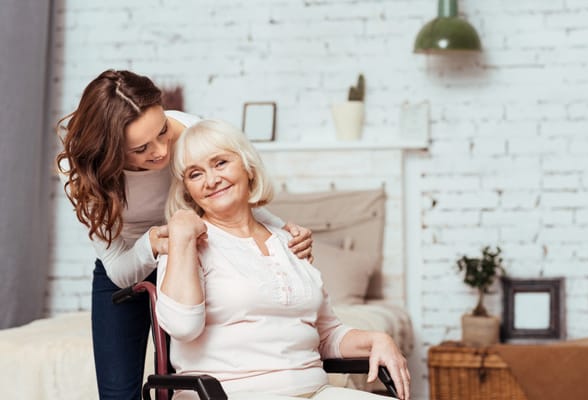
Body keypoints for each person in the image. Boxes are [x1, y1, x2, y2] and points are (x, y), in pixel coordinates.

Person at [55, 69, 314, 400]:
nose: (162, 152)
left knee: (184, 382)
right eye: (141, 148)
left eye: (163, 131)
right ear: (109, 150)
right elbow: (118, 269)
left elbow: (231, 196)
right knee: (118, 393)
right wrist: (150, 244)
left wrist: (282, 233)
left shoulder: (191, 132)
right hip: (126, 260)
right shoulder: (84, 174)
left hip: (193, 253)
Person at [156, 119, 411, 400]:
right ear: (187, 189)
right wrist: (181, 233)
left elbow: (326, 333)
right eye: (195, 174)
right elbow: (181, 327)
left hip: (314, 391)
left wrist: (377, 339)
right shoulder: (186, 245)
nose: (211, 180)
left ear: (248, 167)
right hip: (228, 394)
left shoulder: (290, 242)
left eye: (220, 163)